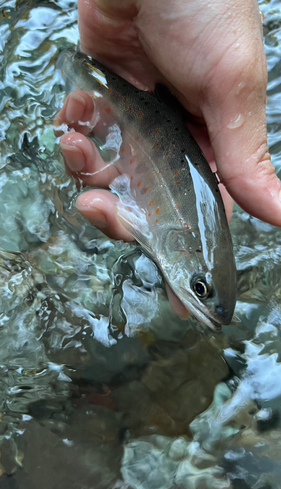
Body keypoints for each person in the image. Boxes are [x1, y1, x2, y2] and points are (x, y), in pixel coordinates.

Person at [55, 0, 280, 317]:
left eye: (200, 289)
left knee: (77, 132)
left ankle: (64, 59)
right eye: (199, 288)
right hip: (106, 83)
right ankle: (65, 62)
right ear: (183, 251)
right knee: (74, 100)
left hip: (119, 82)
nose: (201, 300)